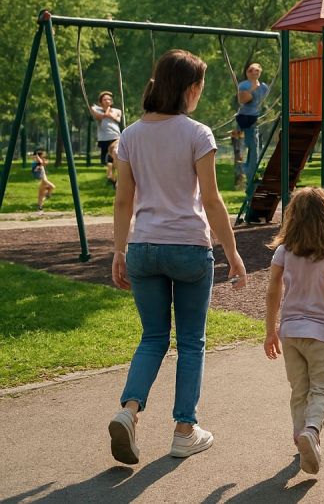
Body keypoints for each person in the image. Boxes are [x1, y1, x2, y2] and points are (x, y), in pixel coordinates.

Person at [108, 49, 247, 465]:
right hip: (188, 247)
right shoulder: (197, 134)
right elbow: (211, 198)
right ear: (189, 89)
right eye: (200, 85)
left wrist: (118, 250)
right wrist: (232, 252)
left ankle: (128, 411)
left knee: (152, 337)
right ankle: (185, 429)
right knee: (190, 342)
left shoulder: (130, 135)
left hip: (144, 248)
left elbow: (122, 201)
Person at [264, 186, 324, 475]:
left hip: (291, 333)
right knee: (321, 390)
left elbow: (273, 292)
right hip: (322, 335)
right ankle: (311, 430)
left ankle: (300, 438)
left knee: (299, 390)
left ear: (292, 218)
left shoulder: (283, 252)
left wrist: (271, 330)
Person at [235, 62, 270, 185]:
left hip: (254, 119)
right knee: (242, 150)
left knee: (254, 151)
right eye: (251, 70)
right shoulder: (243, 85)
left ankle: (251, 178)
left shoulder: (264, 87)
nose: (254, 73)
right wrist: (252, 88)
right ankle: (242, 177)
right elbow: (243, 100)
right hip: (243, 118)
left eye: (256, 70)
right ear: (247, 72)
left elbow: (262, 100)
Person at [90, 90, 122, 187]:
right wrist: (105, 113)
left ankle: (120, 178)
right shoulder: (96, 109)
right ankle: (112, 178)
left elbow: (116, 118)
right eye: (105, 99)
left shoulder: (117, 110)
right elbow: (98, 116)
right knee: (108, 161)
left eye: (109, 99)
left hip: (115, 136)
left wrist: (106, 112)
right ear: (100, 102)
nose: (108, 101)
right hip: (103, 139)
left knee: (115, 153)